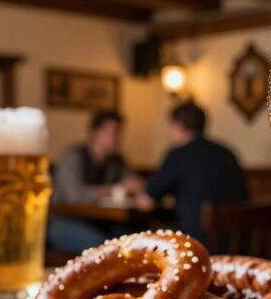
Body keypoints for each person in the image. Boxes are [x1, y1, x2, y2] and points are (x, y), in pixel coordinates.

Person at [138, 101, 248, 241]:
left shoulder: (178, 155)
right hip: (237, 241)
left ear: (179, 125)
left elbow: (146, 202)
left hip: (198, 245)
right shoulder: (227, 153)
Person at [48, 111, 141, 253]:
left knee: (134, 240)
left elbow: (133, 182)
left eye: (120, 133)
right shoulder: (74, 156)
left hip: (99, 221)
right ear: (96, 133)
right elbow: (75, 196)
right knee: (105, 246)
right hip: (63, 222)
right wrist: (116, 188)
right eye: (114, 132)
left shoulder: (117, 160)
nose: (118, 138)